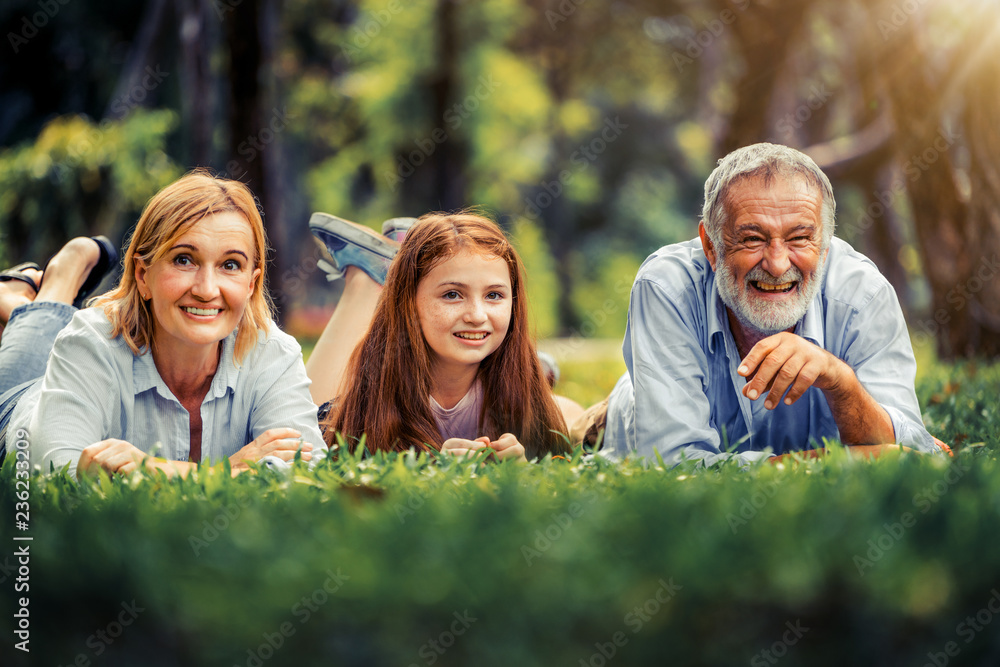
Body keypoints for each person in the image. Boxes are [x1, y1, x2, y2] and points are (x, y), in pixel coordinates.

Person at [598, 142, 942, 465]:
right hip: (627, 415)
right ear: (711, 247)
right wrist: (837, 461)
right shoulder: (666, 287)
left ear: (824, 248)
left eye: (799, 238)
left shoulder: (863, 295)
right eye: (752, 239)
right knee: (575, 428)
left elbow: (911, 448)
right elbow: (675, 467)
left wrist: (841, 382)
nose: (777, 265)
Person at [0, 170, 323, 477]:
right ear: (143, 276)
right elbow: (61, 474)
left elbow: (308, 471)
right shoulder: (89, 340)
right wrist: (230, 471)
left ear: (251, 284)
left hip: (70, 380)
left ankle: (18, 298)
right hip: (18, 412)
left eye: (230, 264)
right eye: (184, 259)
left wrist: (151, 468)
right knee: (42, 325)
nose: (207, 290)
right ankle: (61, 277)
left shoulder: (273, 354)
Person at [304, 211, 574, 461]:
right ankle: (366, 275)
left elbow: (556, 462)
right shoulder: (376, 390)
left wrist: (523, 469)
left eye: (494, 295)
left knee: (569, 412)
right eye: (452, 295)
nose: (477, 315)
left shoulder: (520, 388)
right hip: (335, 406)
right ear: (408, 300)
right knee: (305, 426)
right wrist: (430, 464)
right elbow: (340, 461)